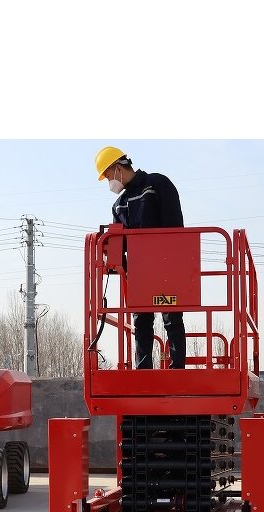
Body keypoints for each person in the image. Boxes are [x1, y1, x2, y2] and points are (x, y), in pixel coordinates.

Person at [95, 145, 186, 369]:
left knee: (172, 317)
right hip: (139, 271)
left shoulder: (157, 184)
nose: (109, 182)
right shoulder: (119, 205)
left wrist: (174, 261)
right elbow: (121, 242)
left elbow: (175, 225)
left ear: (117, 168)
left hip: (167, 265)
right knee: (141, 320)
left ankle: (178, 369)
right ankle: (143, 370)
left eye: (108, 176)